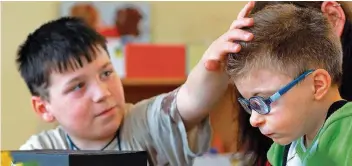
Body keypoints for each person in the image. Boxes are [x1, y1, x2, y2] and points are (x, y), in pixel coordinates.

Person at [15, 8, 252, 165]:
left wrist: (214, 63)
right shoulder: (41, 152)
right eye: (77, 86)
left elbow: (191, 99)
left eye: (106, 73)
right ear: (44, 108)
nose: (102, 93)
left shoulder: (146, 122)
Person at [223, 1, 352, 166]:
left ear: (318, 85)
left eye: (263, 101)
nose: (253, 120)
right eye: (250, 105)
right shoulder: (284, 146)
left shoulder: (347, 134)